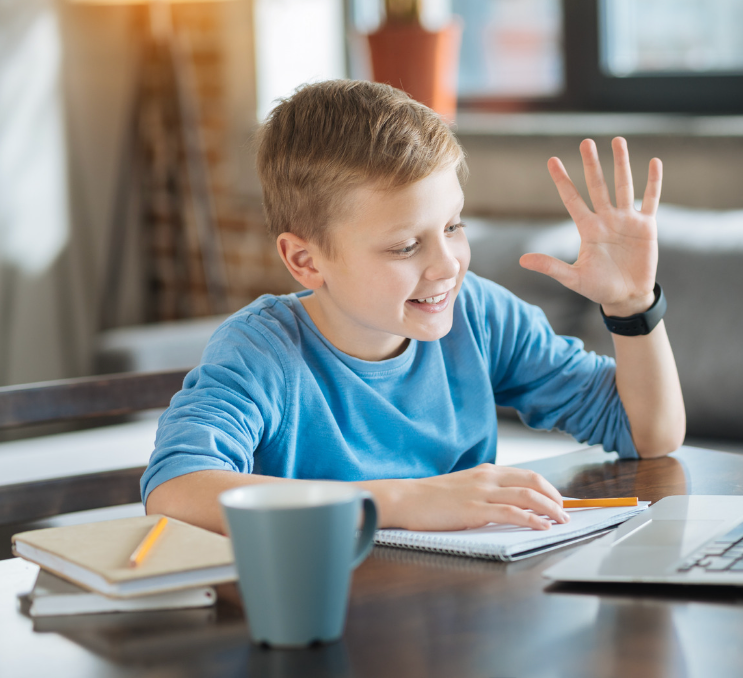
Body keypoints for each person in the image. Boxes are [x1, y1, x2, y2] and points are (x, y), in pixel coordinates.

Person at [142, 80, 685, 535]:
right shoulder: (264, 351)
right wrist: (402, 502)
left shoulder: (481, 317)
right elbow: (176, 491)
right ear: (306, 261)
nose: (447, 265)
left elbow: (648, 434)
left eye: (452, 226)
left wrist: (632, 304)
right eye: (405, 246)